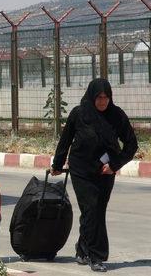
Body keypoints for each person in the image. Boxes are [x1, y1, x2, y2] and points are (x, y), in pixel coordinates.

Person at [51, 78, 137, 272]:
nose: (103, 101)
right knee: (92, 209)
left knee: (96, 211)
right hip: (81, 169)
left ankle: (82, 249)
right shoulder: (80, 113)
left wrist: (114, 165)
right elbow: (65, 141)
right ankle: (96, 256)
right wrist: (57, 164)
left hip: (105, 171)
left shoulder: (116, 115)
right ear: (92, 96)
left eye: (106, 97)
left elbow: (131, 145)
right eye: (99, 97)